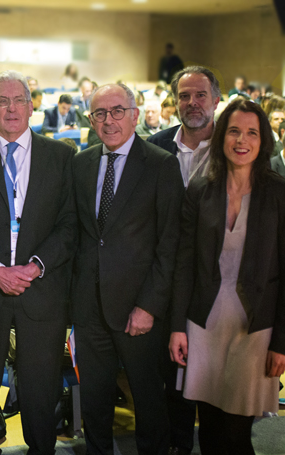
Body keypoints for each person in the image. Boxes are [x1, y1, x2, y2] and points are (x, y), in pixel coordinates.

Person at [0, 70, 75, 455]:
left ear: (31, 106)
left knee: (41, 387)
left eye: (19, 100)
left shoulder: (61, 156)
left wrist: (35, 266)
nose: (11, 109)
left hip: (40, 288)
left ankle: (42, 449)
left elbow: (69, 224)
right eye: (2, 102)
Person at [71, 83, 184, 455]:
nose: (109, 120)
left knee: (148, 399)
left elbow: (170, 244)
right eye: (100, 113)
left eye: (117, 111)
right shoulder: (81, 163)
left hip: (139, 308)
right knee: (95, 399)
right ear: (91, 120)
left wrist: (149, 306)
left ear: (135, 116)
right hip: (90, 308)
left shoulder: (161, 164)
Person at [169, 99, 285, 455]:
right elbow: (184, 263)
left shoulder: (279, 192)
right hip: (204, 322)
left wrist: (282, 341)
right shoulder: (201, 188)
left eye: (252, 132)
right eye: (234, 131)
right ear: (222, 137)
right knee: (209, 430)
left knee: (236, 434)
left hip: (255, 327)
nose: (241, 140)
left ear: (263, 140)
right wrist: (177, 326)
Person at [147, 65, 221, 455]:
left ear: (216, 100)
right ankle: (177, 444)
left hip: (216, 280)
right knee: (172, 371)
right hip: (164, 275)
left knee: (213, 378)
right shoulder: (155, 146)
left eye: (200, 95)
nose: (192, 103)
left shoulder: (233, 146)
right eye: (184, 96)